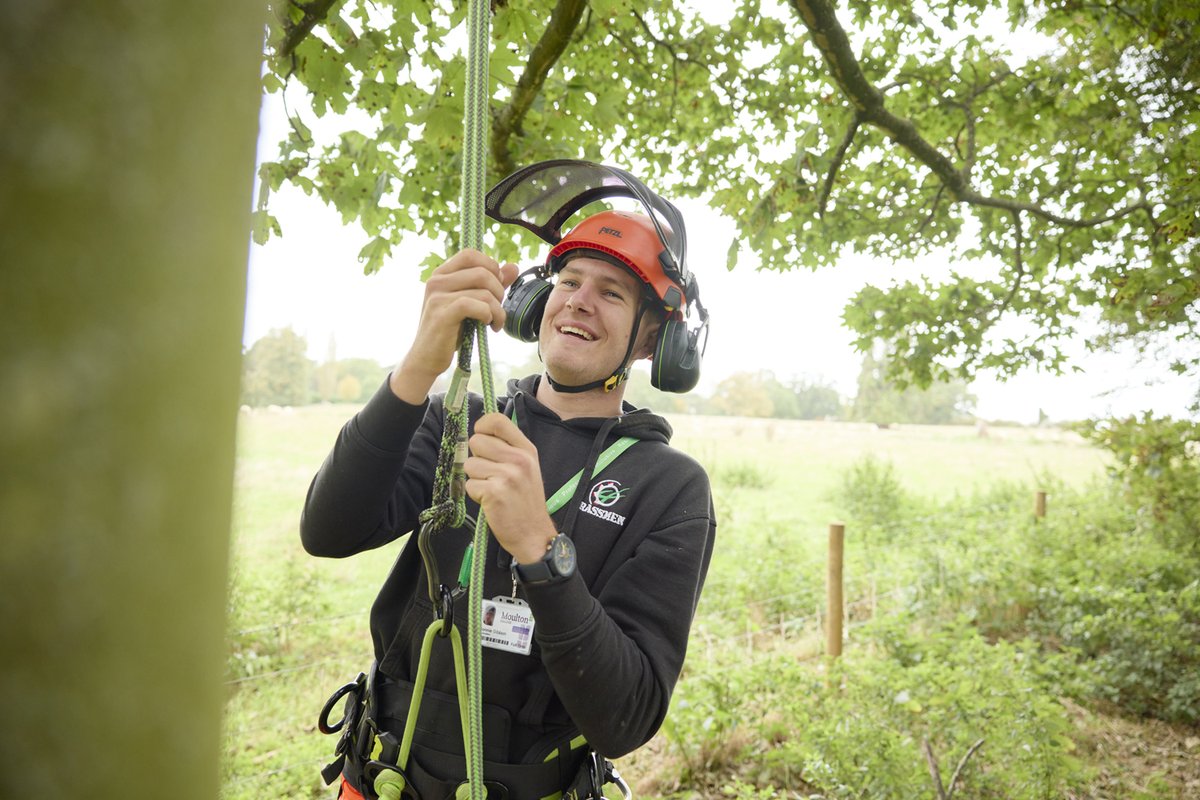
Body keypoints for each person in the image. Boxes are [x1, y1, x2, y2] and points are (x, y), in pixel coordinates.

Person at [301, 172, 715, 800]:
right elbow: (327, 532)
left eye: (612, 293)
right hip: (380, 778)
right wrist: (420, 366)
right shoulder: (458, 418)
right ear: (534, 303)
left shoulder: (670, 488)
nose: (578, 300)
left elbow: (624, 717)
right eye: (568, 281)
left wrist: (541, 551)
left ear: (654, 338)